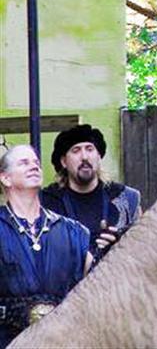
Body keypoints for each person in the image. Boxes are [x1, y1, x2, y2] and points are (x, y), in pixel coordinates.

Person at [0, 145, 91, 348]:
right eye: (24, 163)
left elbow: (94, 290)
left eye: (36, 164)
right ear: (5, 178)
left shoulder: (74, 232)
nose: (34, 167)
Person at [41, 124, 141, 258]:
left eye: (89, 149)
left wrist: (121, 245)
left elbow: (142, 250)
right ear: (64, 161)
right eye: (76, 150)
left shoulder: (127, 198)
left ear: (99, 156)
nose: (84, 157)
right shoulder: (46, 201)